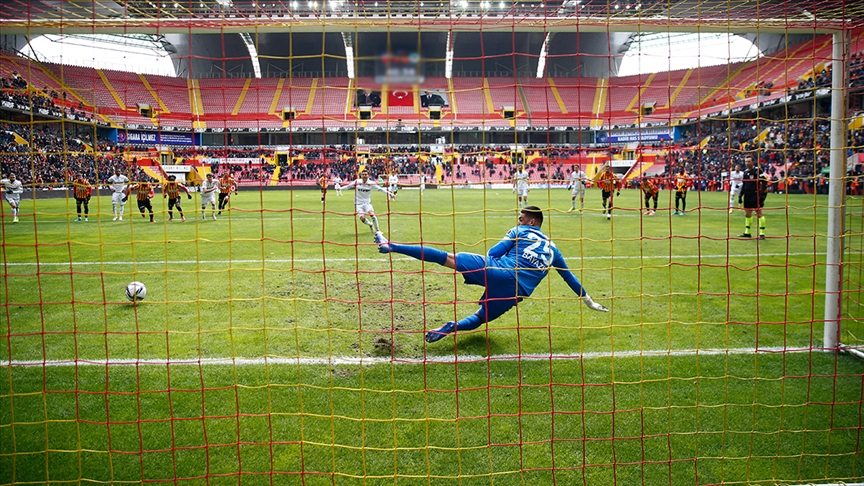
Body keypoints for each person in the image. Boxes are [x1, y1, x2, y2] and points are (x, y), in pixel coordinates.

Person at [374, 206, 609, 343]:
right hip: (517, 292)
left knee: (447, 258)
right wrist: (590, 302)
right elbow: (570, 278)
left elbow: (493, 252)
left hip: (499, 271)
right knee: (480, 318)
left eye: (521, 217)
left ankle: (391, 245)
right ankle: (452, 326)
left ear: (532, 221)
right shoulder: (554, 251)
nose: (518, 220)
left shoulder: (521, 231)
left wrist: (488, 268)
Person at [340, 168, 395, 236]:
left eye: (365, 174)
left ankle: (378, 231)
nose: (364, 176)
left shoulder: (371, 183)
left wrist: (390, 194)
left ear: (368, 175)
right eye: (363, 174)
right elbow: (348, 187)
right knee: (362, 219)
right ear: (361, 175)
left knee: (372, 215)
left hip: (367, 203)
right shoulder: (357, 182)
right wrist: (340, 188)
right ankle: (370, 224)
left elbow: (381, 189)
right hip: (358, 203)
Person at [739, 155, 768, 239]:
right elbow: (744, 184)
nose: (747, 163)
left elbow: (764, 182)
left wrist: (762, 194)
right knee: (747, 214)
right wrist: (741, 195)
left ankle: (762, 234)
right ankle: (747, 232)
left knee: (759, 213)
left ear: (753, 162)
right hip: (747, 195)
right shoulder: (745, 172)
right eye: (746, 161)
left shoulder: (757, 170)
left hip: (755, 194)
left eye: (749, 161)